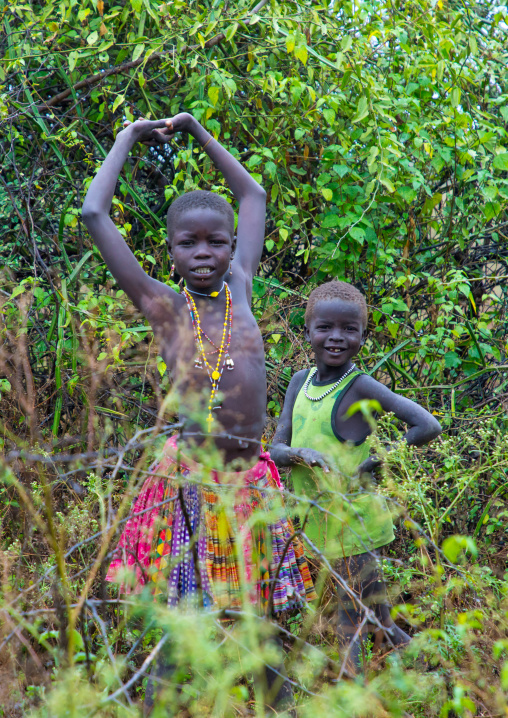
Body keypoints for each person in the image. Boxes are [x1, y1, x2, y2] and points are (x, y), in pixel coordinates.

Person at [81, 112, 315, 711]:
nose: (204, 252)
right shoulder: (163, 307)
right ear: (171, 249)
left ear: (234, 244)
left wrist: (195, 129)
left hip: (251, 482)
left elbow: (252, 192)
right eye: (190, 243)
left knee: (259, 626)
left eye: (216, 240)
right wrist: (127, 136)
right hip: (188, 484)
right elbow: (93, 215)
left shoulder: (242, 284)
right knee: (179, 627)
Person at [270, 279, 442, 671]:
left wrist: (376, 462)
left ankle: (355, 698)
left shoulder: (360, 386)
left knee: (350, 623)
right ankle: (434, 676)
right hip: (318, 521)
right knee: (379, 619)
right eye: (325, 328)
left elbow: (427, 426)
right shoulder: (300, 383)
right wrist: (300, 454)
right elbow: (276, 450)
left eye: (350, 330)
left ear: (364, 336)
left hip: (354, 523)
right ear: (308, 330)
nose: (336, 338)